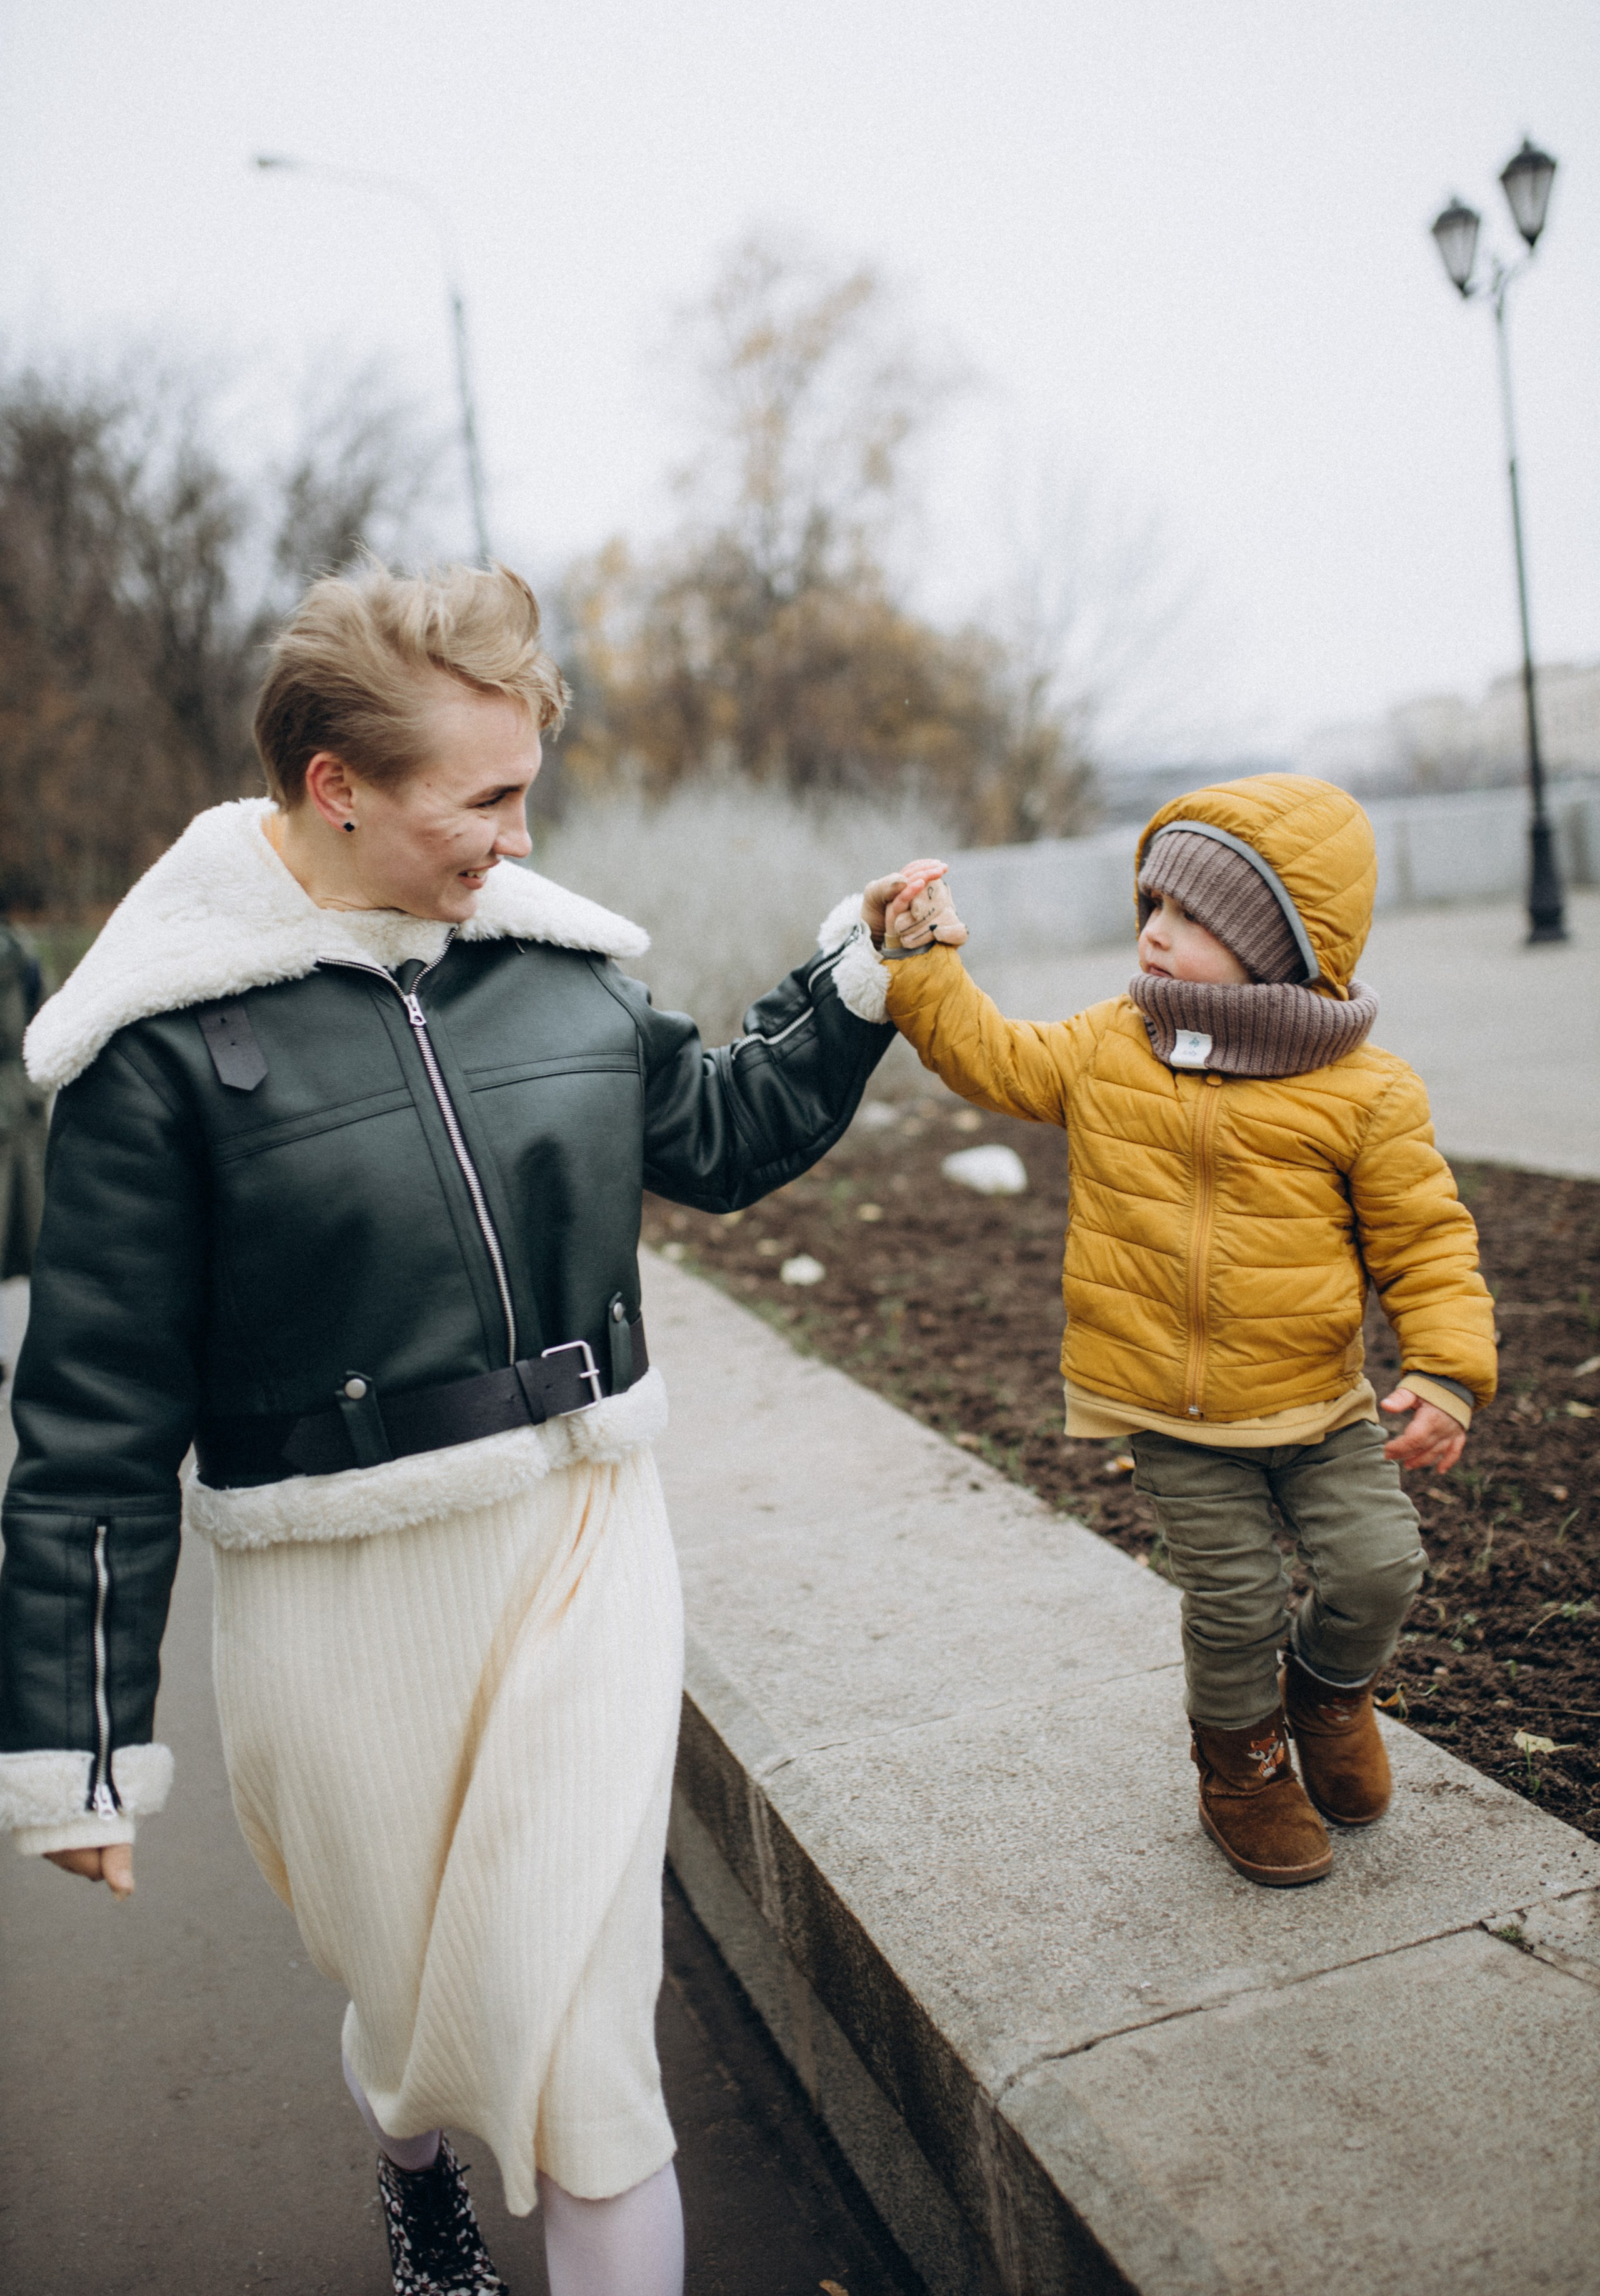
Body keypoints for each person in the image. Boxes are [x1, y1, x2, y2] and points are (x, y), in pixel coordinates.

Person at [0, 561, 891, 2296]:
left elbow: (712, 1129)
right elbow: (93, 1417)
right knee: (419, 2007)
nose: (515, 833)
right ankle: (412, 2161)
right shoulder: (153, 1053)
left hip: (580, 1549)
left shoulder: (556, 971)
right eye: (480, 799)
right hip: (334, 1604)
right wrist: (77, 1746)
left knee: (584, 2058)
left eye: (525, 791)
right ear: (337, 788)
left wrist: (850, 983)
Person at [846, 775, 1496, 1887]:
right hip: (1169, 1406)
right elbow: (994, 1057)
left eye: (1193, 917)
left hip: (1317, 1401)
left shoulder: (1364, 1091)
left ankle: (1331, 1701)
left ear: (1284, 942)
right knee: (1237, 1600)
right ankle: (1240, 1768)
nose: (1154, 932)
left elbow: (1426, 1242)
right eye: (1151, 905)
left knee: (1380, 1568)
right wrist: (923, 964)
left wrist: (1444, 1373)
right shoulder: (1111, 1048)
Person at [0, 908, 47, 1382]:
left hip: (18, 1108)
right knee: (38, 1239)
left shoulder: (22, 956)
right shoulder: (22, 953)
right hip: (22, 1103)